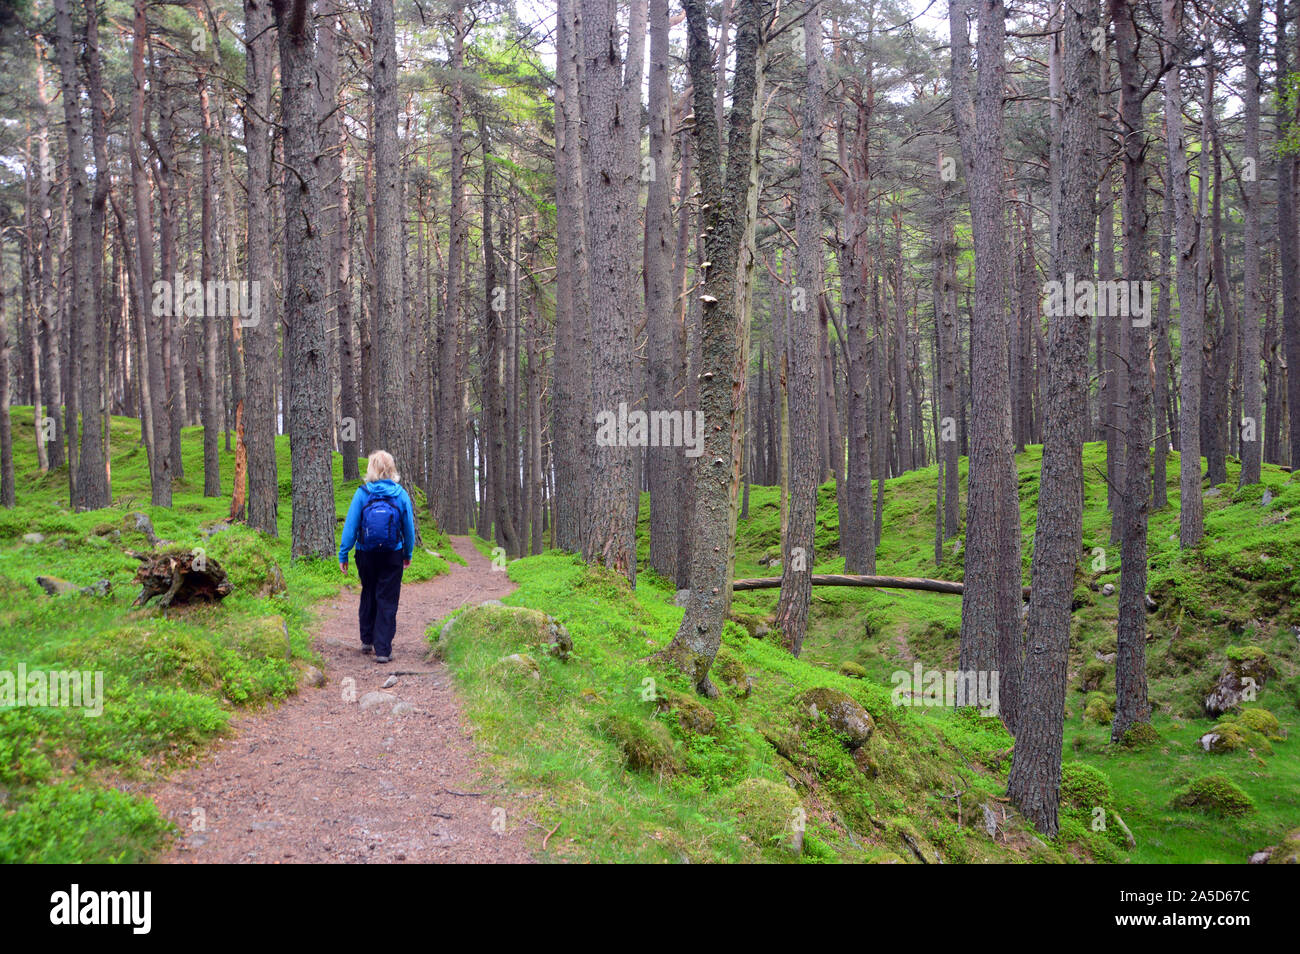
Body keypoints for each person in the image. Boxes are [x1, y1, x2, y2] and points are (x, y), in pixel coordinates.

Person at [338, 450, 416, 663]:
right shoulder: (400, 494)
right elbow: (409, 529)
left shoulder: (363, 493)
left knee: (369, 591)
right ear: (391, 469)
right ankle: (383, 649)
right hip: (392, 554)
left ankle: (366, 640)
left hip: (366, 553)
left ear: (371, 469)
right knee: (387, 599)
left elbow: (351, 525)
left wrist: (344, 553)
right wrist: (407, 553)